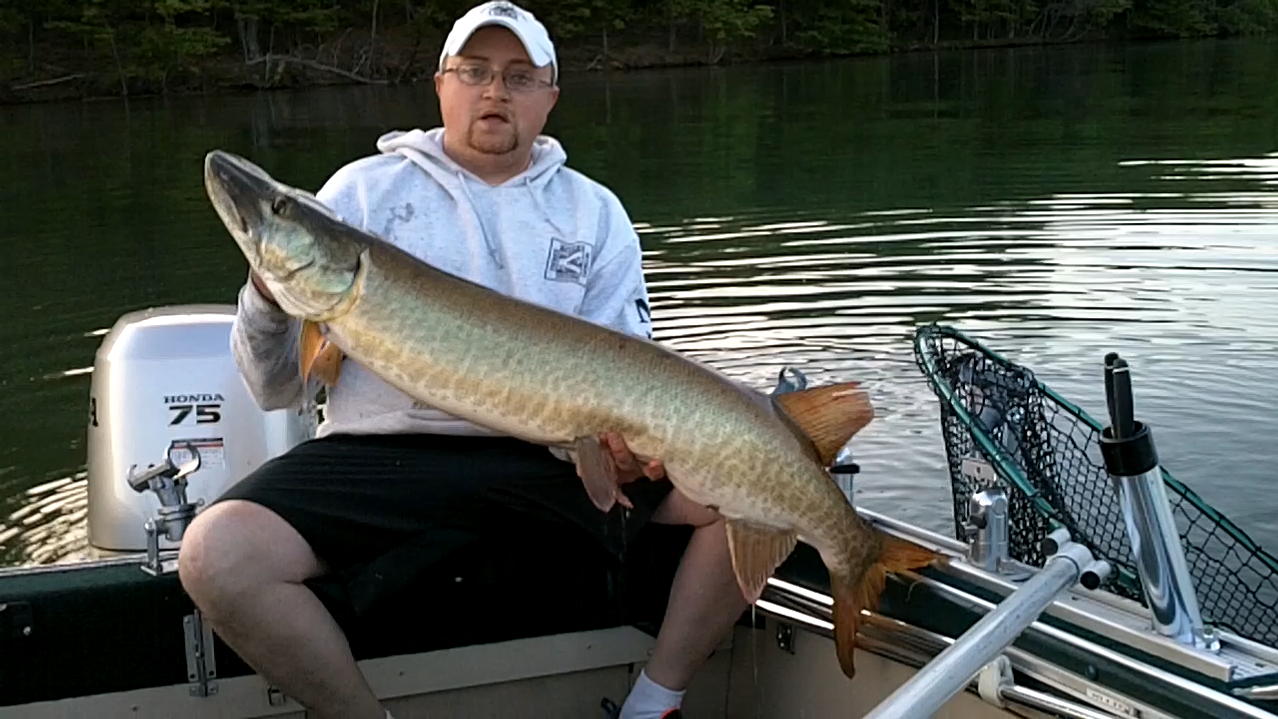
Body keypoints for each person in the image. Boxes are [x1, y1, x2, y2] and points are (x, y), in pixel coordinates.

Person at [177, 3, 747, 718]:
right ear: (441, 84)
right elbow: (270, 388)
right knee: (215, 554)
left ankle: (653, 703)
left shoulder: (594, 213)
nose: (494, 91)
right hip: (381, 458)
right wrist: (267, 290)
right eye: (474, 71)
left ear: (550, 97)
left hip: (550, 460)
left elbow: (625, 374)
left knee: (763, 491)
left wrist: (627, 450)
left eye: (518, 76)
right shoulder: (360, 194)